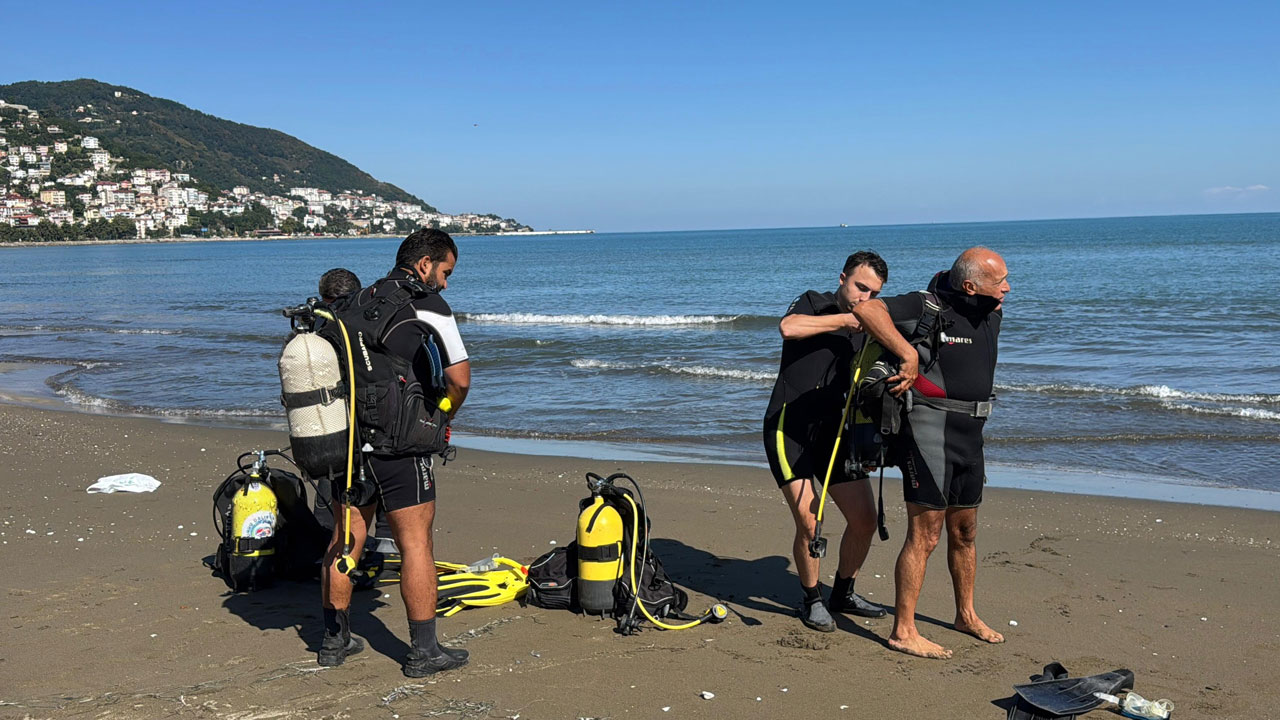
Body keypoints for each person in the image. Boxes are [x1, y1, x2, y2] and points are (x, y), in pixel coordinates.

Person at [319, 229, 472, 677]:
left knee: (345, 539)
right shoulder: (430, 305)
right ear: (424, 264)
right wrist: (444, 412)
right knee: (415, 543)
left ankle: (334, 641)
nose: (446, 283)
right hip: (400, 446)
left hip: (345, 442)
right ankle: (424, 651)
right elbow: (459, 380)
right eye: (445, 272)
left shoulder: (354, 301)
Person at [851, 246, 1010, 659]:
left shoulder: (990, 311)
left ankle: (966, 614)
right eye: (1000, 280)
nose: (1008, 287)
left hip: (971, 433)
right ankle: (904, 630)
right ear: (972, 285)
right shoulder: (927, 306)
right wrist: (906, 354)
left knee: (965, 532)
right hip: (928, 431)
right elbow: (869, 311)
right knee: (926, 535)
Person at [763, 250, 890, 632]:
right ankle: (812, 598)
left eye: (873, 293)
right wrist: (848, 321)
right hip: (790, 430)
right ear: (842, 278)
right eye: (860, 287)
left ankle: (844, 592)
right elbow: (789, 328)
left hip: (835, 436)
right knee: (810, 520)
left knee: (865, 520)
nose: (864, 297)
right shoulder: (814, 303)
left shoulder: (871, 323)